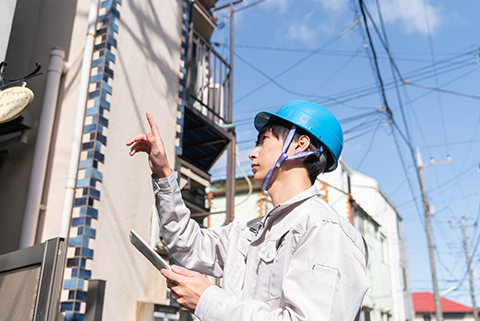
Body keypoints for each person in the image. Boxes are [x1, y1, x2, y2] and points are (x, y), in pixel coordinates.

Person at [127, 100, 369, 320]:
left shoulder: (326, 230)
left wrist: (207, 299)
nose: (253, 153)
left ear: (300, 145)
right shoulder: (248, 233)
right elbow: (185, 243)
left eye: (264, 141)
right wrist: (163, 173)